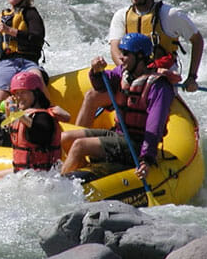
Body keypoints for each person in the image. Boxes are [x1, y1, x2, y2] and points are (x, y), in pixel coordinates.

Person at [74, 0, 204, 127]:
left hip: (158, 80)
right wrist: (127, 70)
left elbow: (197, 40)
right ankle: (75, 142)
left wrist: (192, 77)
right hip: (130, 76)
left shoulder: (170, 15)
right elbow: (115, 49)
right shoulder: (122, 16)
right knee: (91, 97)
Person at [60, 33, 179, 181]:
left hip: (136, 145)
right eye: (122, 52)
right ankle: (80, 171)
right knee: (65, 138)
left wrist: (146, 159)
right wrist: (95, 71)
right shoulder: (124, 72)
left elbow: (155, 125)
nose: (121, 57)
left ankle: (61, 186)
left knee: (79, 145)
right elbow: (101, 86)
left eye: (126, 54)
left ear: (140, 56)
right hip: (119, 135)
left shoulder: (159, 86)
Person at [0, 71, 70, 182]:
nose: (19, 97)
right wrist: (9, 114)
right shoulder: (25, 115)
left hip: (42, 177)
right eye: (16, 93)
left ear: (36, 93)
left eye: (23, 92)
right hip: (26, 172)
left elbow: (40, 130)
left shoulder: (43, 116)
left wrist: (18, 114)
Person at [0, 0, 51, 110]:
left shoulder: (31, 13)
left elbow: (37, 38)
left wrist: (11, 31)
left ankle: (48, 115)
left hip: (28, 63)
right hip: (6, 63)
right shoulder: (4, 15)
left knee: (36, 79)